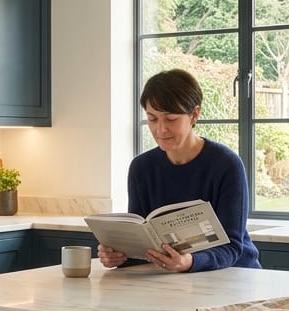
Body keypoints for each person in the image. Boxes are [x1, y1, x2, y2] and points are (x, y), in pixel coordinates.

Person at [98, 69, 260, 273]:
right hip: (172, 276)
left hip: (236, 274)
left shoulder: (226, 164)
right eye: (152, 119)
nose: (160, 129)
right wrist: (120, 256)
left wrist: (190, 262)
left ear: (194, 115)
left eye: (171, 119)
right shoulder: (142, 167)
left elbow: (233, 246)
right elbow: (143, 244)